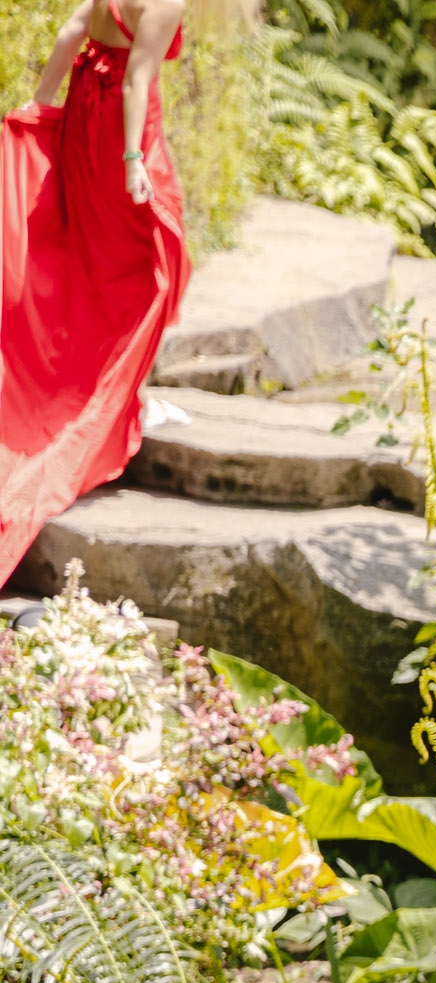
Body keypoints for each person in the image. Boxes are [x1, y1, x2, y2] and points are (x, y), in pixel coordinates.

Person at [1, 0, 192, 584]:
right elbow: (137, 78)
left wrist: (45, 99)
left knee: (95, 254)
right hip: (123, 133)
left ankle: (120, 389)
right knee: (150, 264)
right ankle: (114, 396)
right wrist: (135, 159)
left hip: (88, 114)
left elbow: (73, 31)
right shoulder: (166, 3)